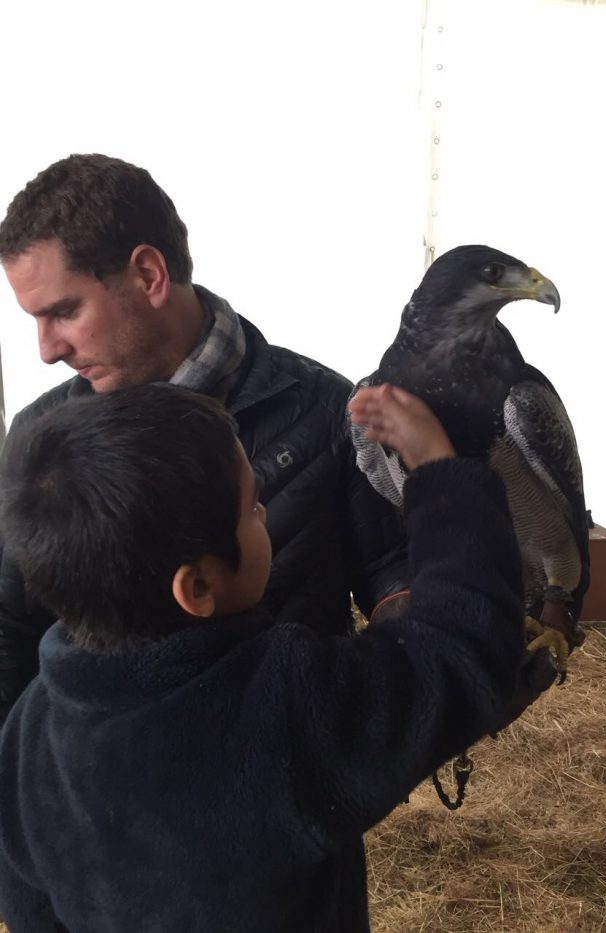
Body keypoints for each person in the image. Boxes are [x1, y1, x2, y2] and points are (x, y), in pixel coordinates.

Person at [0, 382, 524, 933]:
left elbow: (28, 900)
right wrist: (439, 475)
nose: (263, 511)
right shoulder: (282, 708)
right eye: (251, 508)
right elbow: (460, 650)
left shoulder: (30, 728)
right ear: (197, 587)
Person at [0, 153, 410, 724]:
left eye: (63, 312)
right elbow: (13, 630)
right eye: (35, 320)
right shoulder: (37, 444)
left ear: (149, 275)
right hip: (111, 796)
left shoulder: (323, 409)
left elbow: (392, 572)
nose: (46, 350)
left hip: (292, 778)